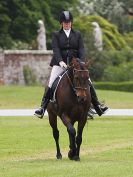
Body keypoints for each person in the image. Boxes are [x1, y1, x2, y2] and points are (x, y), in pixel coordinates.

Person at [34, 11, 108, 119]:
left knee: (89, 82)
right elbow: (56, 49)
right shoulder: (56, 35)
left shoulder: (77, 34)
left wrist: (81, 62)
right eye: (65, 22)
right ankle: (42, 108)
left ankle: (97, 106)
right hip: (59, 63)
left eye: (69, 22)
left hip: (76, 64)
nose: (67, 24)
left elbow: (81, 48)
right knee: (51, 83)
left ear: (71, 23)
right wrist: (60, 62)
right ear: (61, 23)